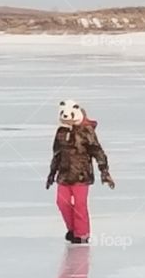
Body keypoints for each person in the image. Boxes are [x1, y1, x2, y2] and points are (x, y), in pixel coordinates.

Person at [46, 100, 115, 243]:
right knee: (62, 202)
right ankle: (72, 229)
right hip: (64, 174)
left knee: (80, 204)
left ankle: (82, 234)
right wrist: (52, 173)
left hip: (81, 174)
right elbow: (57, 154)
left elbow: (97, 151)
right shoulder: (61, 132)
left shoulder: (86, 131)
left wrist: (104, 171)